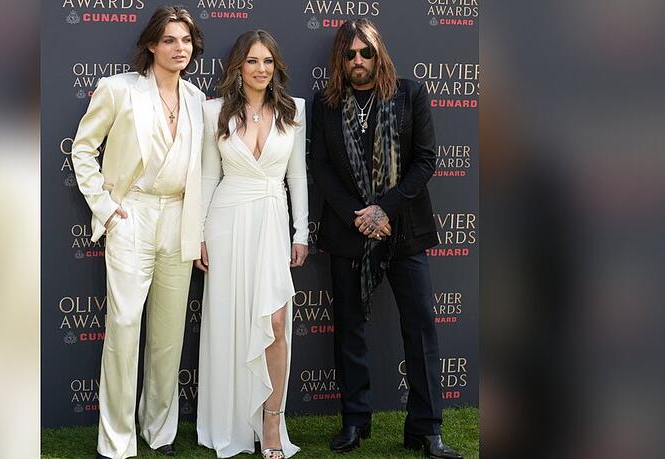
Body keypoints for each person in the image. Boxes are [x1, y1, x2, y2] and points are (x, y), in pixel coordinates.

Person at [310, 19, 463, 458]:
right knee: (349, 329)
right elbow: (320, 166)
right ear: (340, 59)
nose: (358, 60)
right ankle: (354, 422)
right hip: (349, 231)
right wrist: (357, 216)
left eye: (366, 52)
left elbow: (425, 160)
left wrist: (384, 209)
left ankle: (426, 429)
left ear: (379, 54)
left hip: (403, 230)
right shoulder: (326, 103)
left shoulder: (409, 94)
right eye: (350, 54)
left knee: (420, 327)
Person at [70, 6, 206, 458]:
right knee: (124, 328)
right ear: (151, 44)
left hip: (179, 219)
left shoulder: (197, 98)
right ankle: (115, 441)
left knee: (168, 336)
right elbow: (83, 150)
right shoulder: (119, 89)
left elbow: (202, 171)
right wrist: (107, 209)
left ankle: (159, 431)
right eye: (169, 40)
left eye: (185, 40)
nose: (179, 48)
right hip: (133, 215)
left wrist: (199, 228)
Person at [194, 30, 308, 459]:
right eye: (252, 61)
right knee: (231, 323)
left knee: (275, 324)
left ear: (276, 66)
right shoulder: (214, 112)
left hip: (272, 222)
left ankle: (271, 422)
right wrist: (198, 234)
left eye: (268, 61)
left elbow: (296, 175)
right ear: (238, 66)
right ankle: (232, 423)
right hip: (226, 221)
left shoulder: (294, 110)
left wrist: (301, 232)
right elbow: (209, 176)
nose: (261, 69)